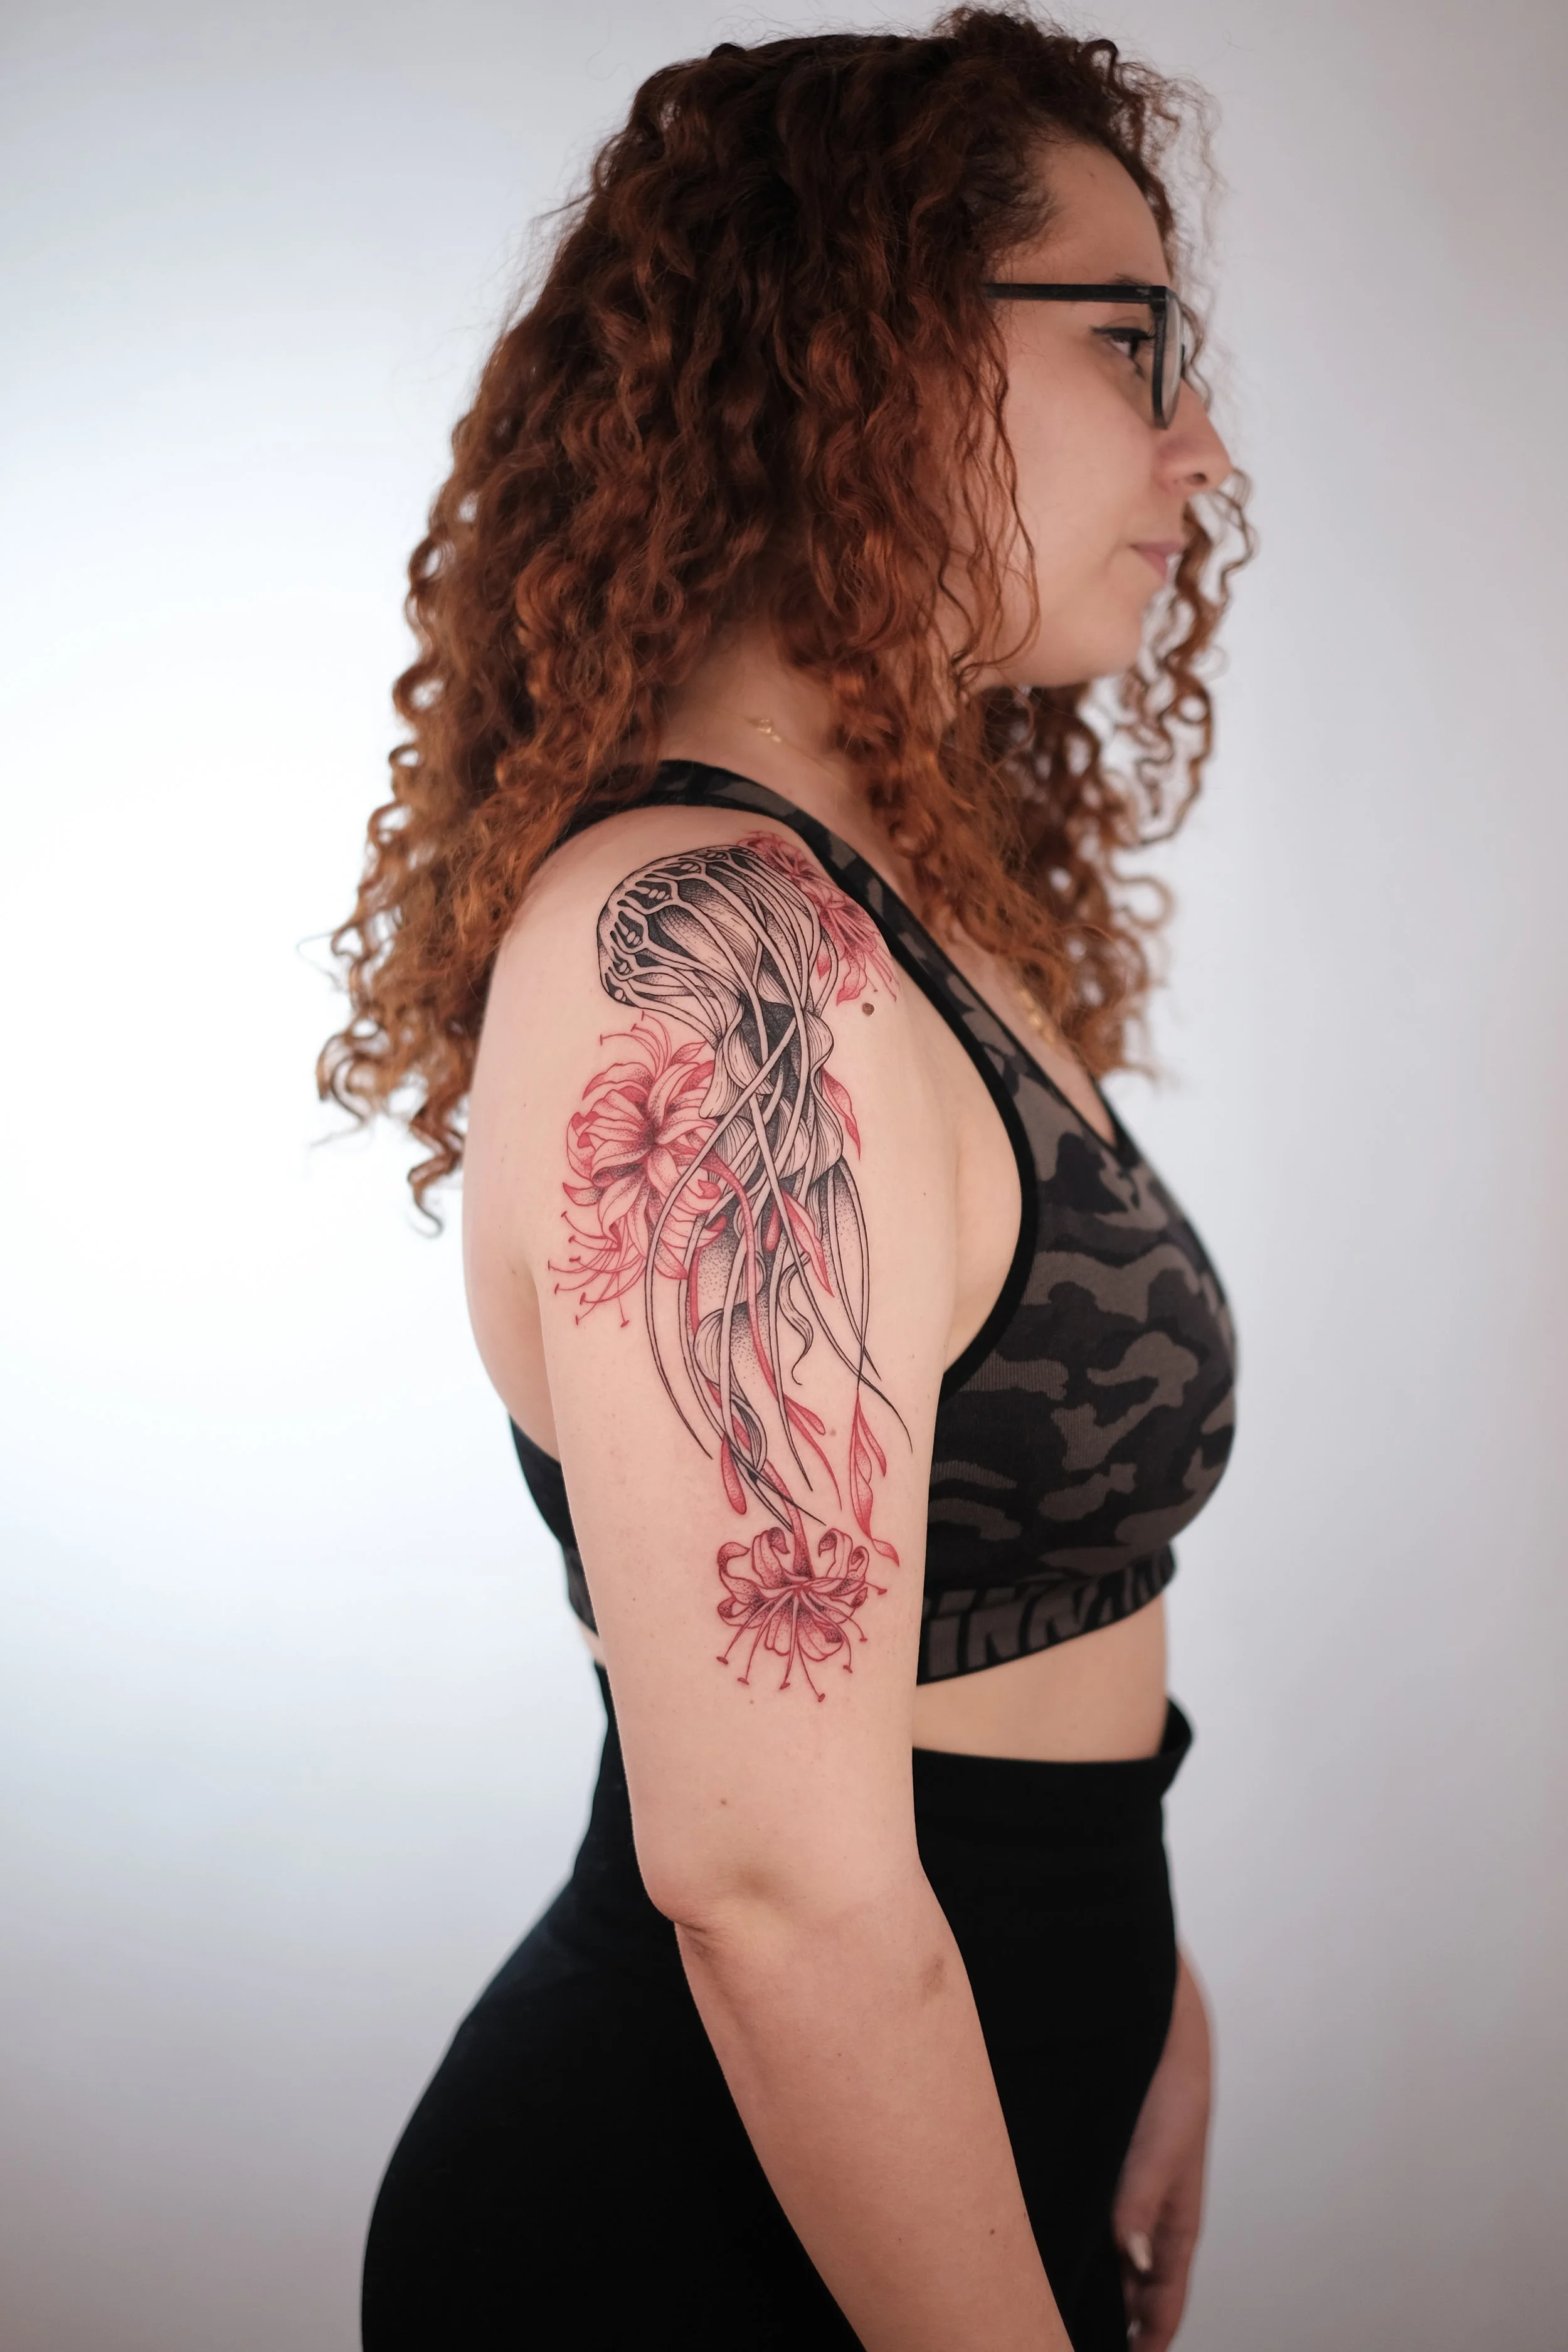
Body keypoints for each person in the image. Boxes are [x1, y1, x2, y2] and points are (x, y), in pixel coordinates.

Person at [322, 11, 1254, 2347]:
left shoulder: (882, 908)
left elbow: (959, 1639)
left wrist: (1134, 1965)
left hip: (956, 2120)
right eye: (1130, 343)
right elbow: (765, 1876)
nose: (1198, 447)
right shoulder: (712, 963)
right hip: (700, 2238)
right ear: (867, 344)